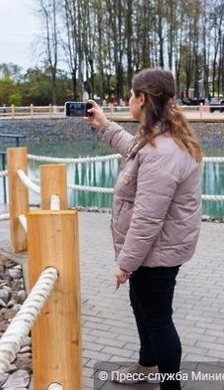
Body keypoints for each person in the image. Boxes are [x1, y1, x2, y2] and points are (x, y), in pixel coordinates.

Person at [84, 68, 203, 390]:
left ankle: (169, 386)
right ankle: (146, 365)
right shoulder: (159, 137)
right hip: (156, 252)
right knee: (143, 308)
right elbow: (134, 150)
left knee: (159, 320)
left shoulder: (161, 151)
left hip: (157, 253)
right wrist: (104, 125)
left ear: (142, 99)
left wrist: (125, 265)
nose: (129, 101)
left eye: (132, 95)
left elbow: (147, 220)